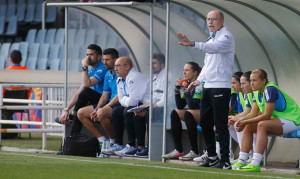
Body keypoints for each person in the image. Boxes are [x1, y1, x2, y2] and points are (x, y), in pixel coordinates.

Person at [177, 10, 235, 169]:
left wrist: (194, 44)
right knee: (204, 121)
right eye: (208, 19)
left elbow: (214, 48)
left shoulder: (226, 37)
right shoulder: (211, 38)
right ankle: (212, 156)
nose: (210, 22)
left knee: (220, 124)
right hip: (208, 86)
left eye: (213, 19)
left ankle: (225, 161)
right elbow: (209, 64)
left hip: (221, 86)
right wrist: (199, 81)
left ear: (221, 21)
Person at [233, 69, 300, 172]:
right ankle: (242, 160)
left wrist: (245, 121)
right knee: (249, 126)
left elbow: (267, 115)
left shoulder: (270, 89)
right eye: (251, 80)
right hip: (281, 120)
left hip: (294, 120)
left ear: (264, 81)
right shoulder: (256, 92)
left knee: (262, 125)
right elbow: (253, 113)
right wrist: (242, 121)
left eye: (254, 80)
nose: (252, 83)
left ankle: (255, 163)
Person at [59, 44, 106, 137]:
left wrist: (84, 66)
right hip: (96, 99)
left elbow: (87, 84)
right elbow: (79, 91)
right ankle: (73, 123)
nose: (88, 57)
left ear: (99, 57)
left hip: (105, 100)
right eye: (87, 54)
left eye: (91, 55)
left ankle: (73, 132)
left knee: (86, 92)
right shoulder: (91, 70)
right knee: (83, 93)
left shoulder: (102, 68)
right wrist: (67, 109)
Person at [77, 48, 119, 147]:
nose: (104, 62)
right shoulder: (108, 74)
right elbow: (105, 95)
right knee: (81, 113)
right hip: (110, 104)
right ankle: (103, 141)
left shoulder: (120, 74)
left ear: (115, 60)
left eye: (107, 60)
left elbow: (119, 96)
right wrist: (97, 108)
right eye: (103, 60)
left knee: (101, 112)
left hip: (119, 104)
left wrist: (103, 108)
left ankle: (113, 142)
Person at [109, 57, 150, 157]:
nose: (116, 69)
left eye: (118, 66)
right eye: (115, 66)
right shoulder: (119, 79)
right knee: (116, 111)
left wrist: (125, 100)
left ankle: (133, 145)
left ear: (127, 67)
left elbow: (133, 100)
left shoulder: (135, 77)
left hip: (149, 105)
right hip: (137, 104)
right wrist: (125, 100)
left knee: (128, 110)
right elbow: (121, 98)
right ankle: (118, 144)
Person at [161, 62, 202, 161]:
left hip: (207, 113)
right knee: (175, 112)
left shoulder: (199, 84)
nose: (184, 73)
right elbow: (180, 105)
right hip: (196, 113)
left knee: (188, 114)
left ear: (195, 72)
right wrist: (177, 90)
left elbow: (193, 105)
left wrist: (186, 91)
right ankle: (178, 150)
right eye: (183, 70)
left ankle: (195, 151)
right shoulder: (187, 83)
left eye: (187, 70)